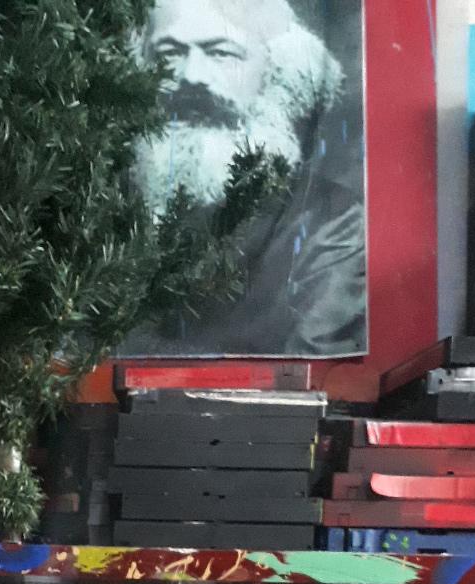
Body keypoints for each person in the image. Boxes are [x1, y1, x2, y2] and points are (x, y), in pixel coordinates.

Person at [125, 0, 367, 357]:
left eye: (221, 53)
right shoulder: (102, 197)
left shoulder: (329, 220)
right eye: (170, 52)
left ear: (276, 72)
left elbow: (313, 368)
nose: (192, 75)